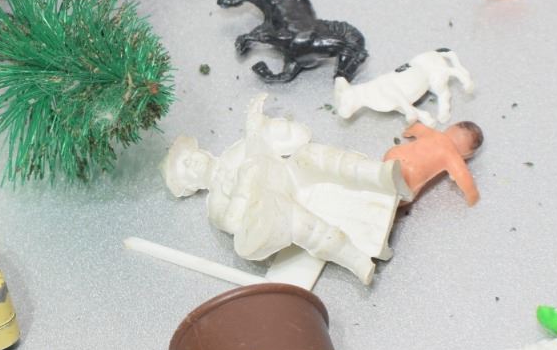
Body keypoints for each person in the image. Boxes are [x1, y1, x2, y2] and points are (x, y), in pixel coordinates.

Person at [161, 95, 408, 283]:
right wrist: (245, 187)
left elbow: (294, 138)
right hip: (272, 208)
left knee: (309, 155)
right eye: (186, 169)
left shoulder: (235, 151)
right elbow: (235, 222)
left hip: (289, 176)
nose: (192, 163)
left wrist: (259, 127)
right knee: (293, 219)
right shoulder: (215, 204)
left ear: (202, 151)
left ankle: (378, 176)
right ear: (192, 185)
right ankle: (354, 259)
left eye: (189, 157)